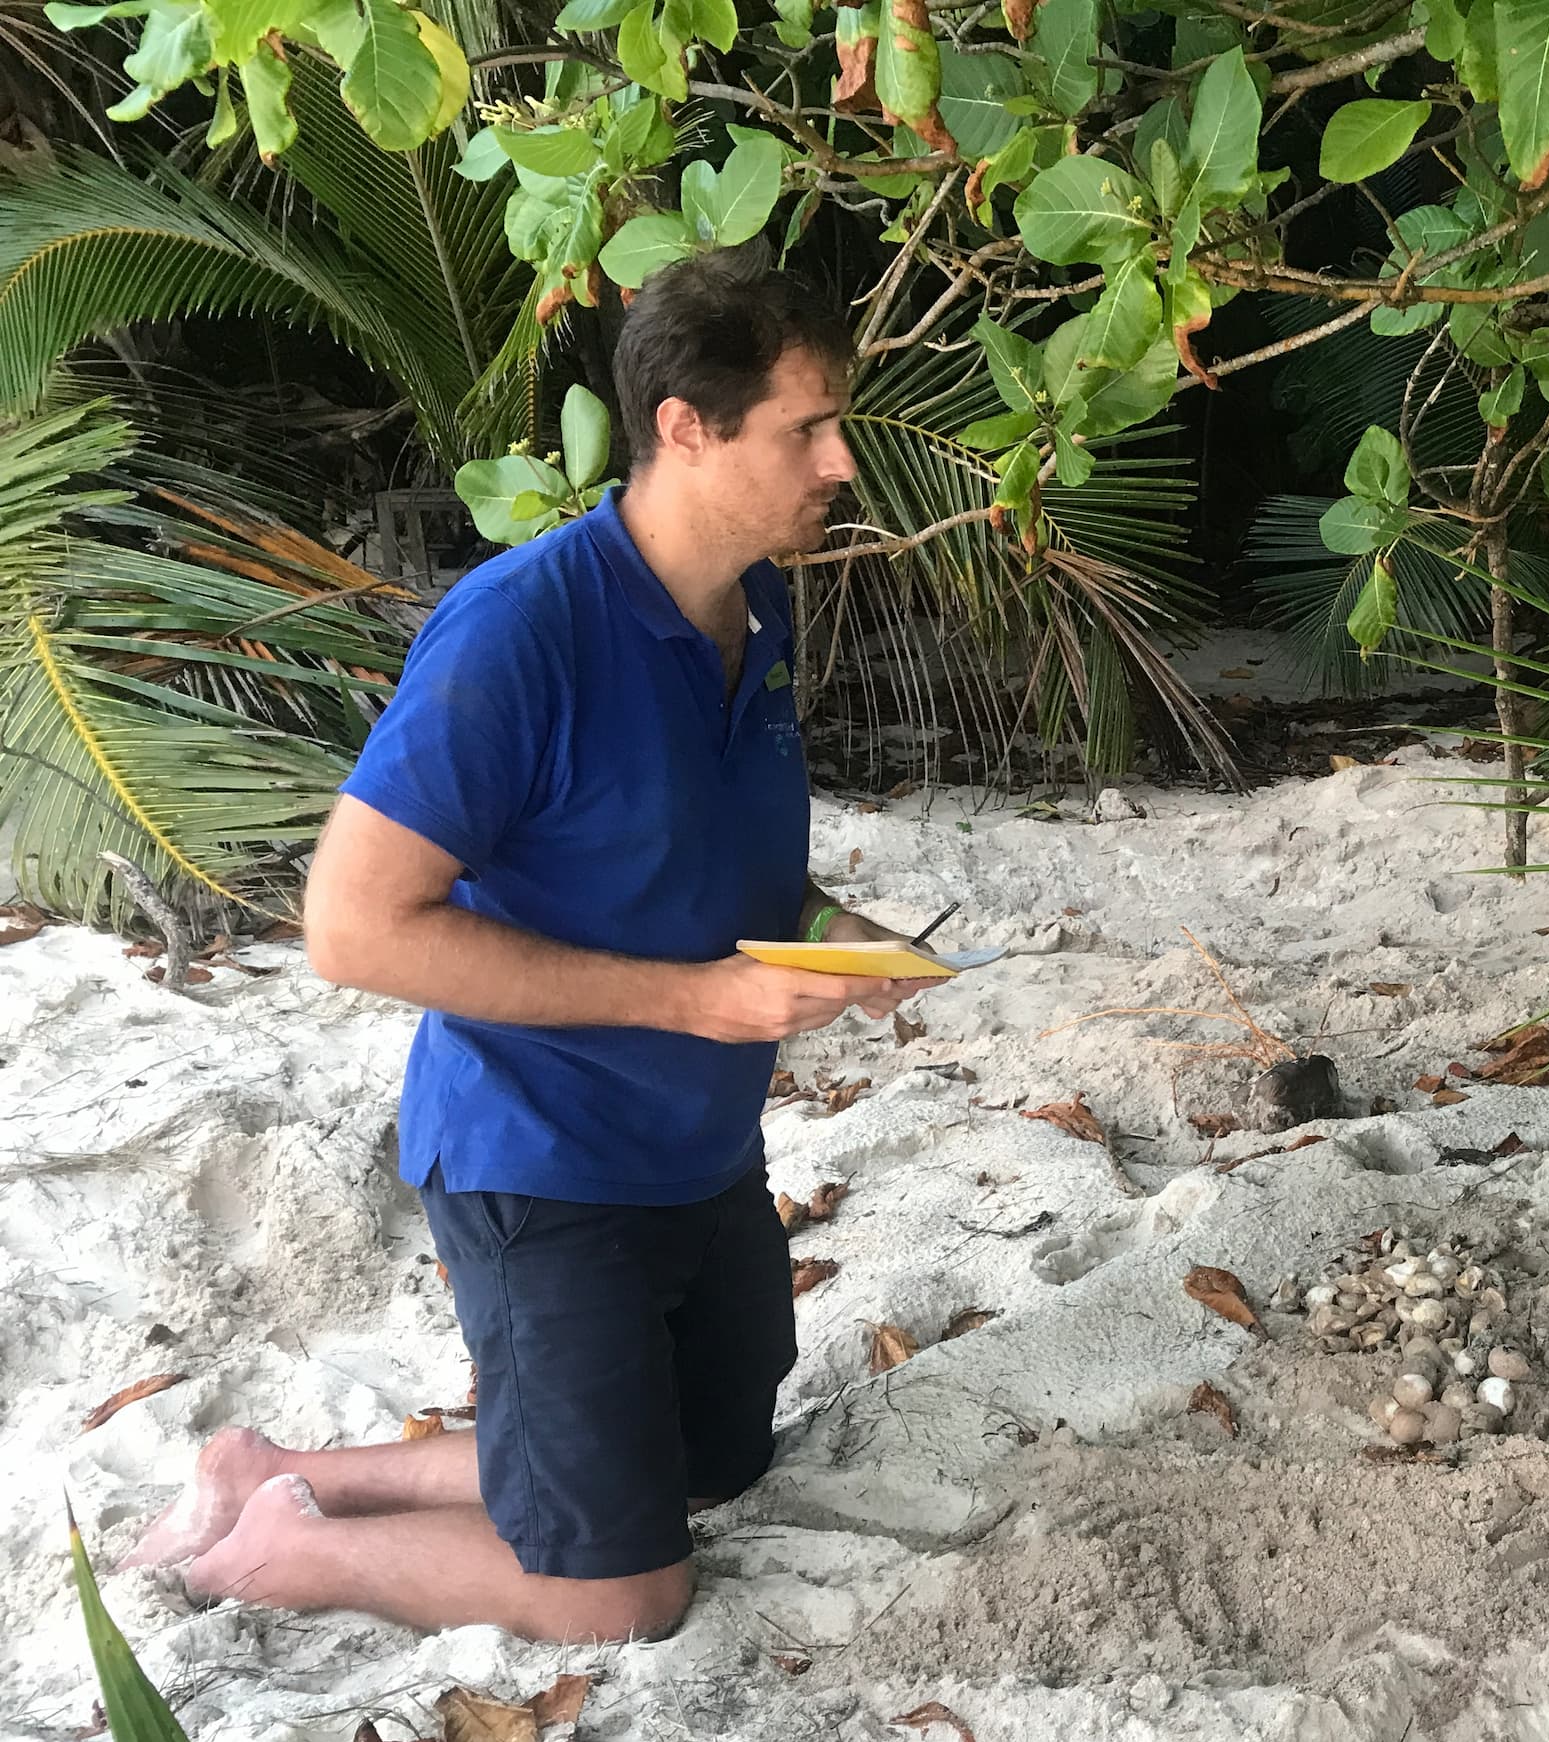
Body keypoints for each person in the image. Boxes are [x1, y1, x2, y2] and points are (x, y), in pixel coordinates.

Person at [125, 248, 940, 1642]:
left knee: (710, 1469)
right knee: (627, 1588)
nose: (842, 462)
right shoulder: (521, 632)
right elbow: (349, 926)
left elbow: (700, 855)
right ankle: (263, 1554)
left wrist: (827, 933)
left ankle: (286, 1471)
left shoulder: (761, 605)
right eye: (807, 427)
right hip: (540, 1163)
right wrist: (694, 1002)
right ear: (685, 426)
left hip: (698, 1153)